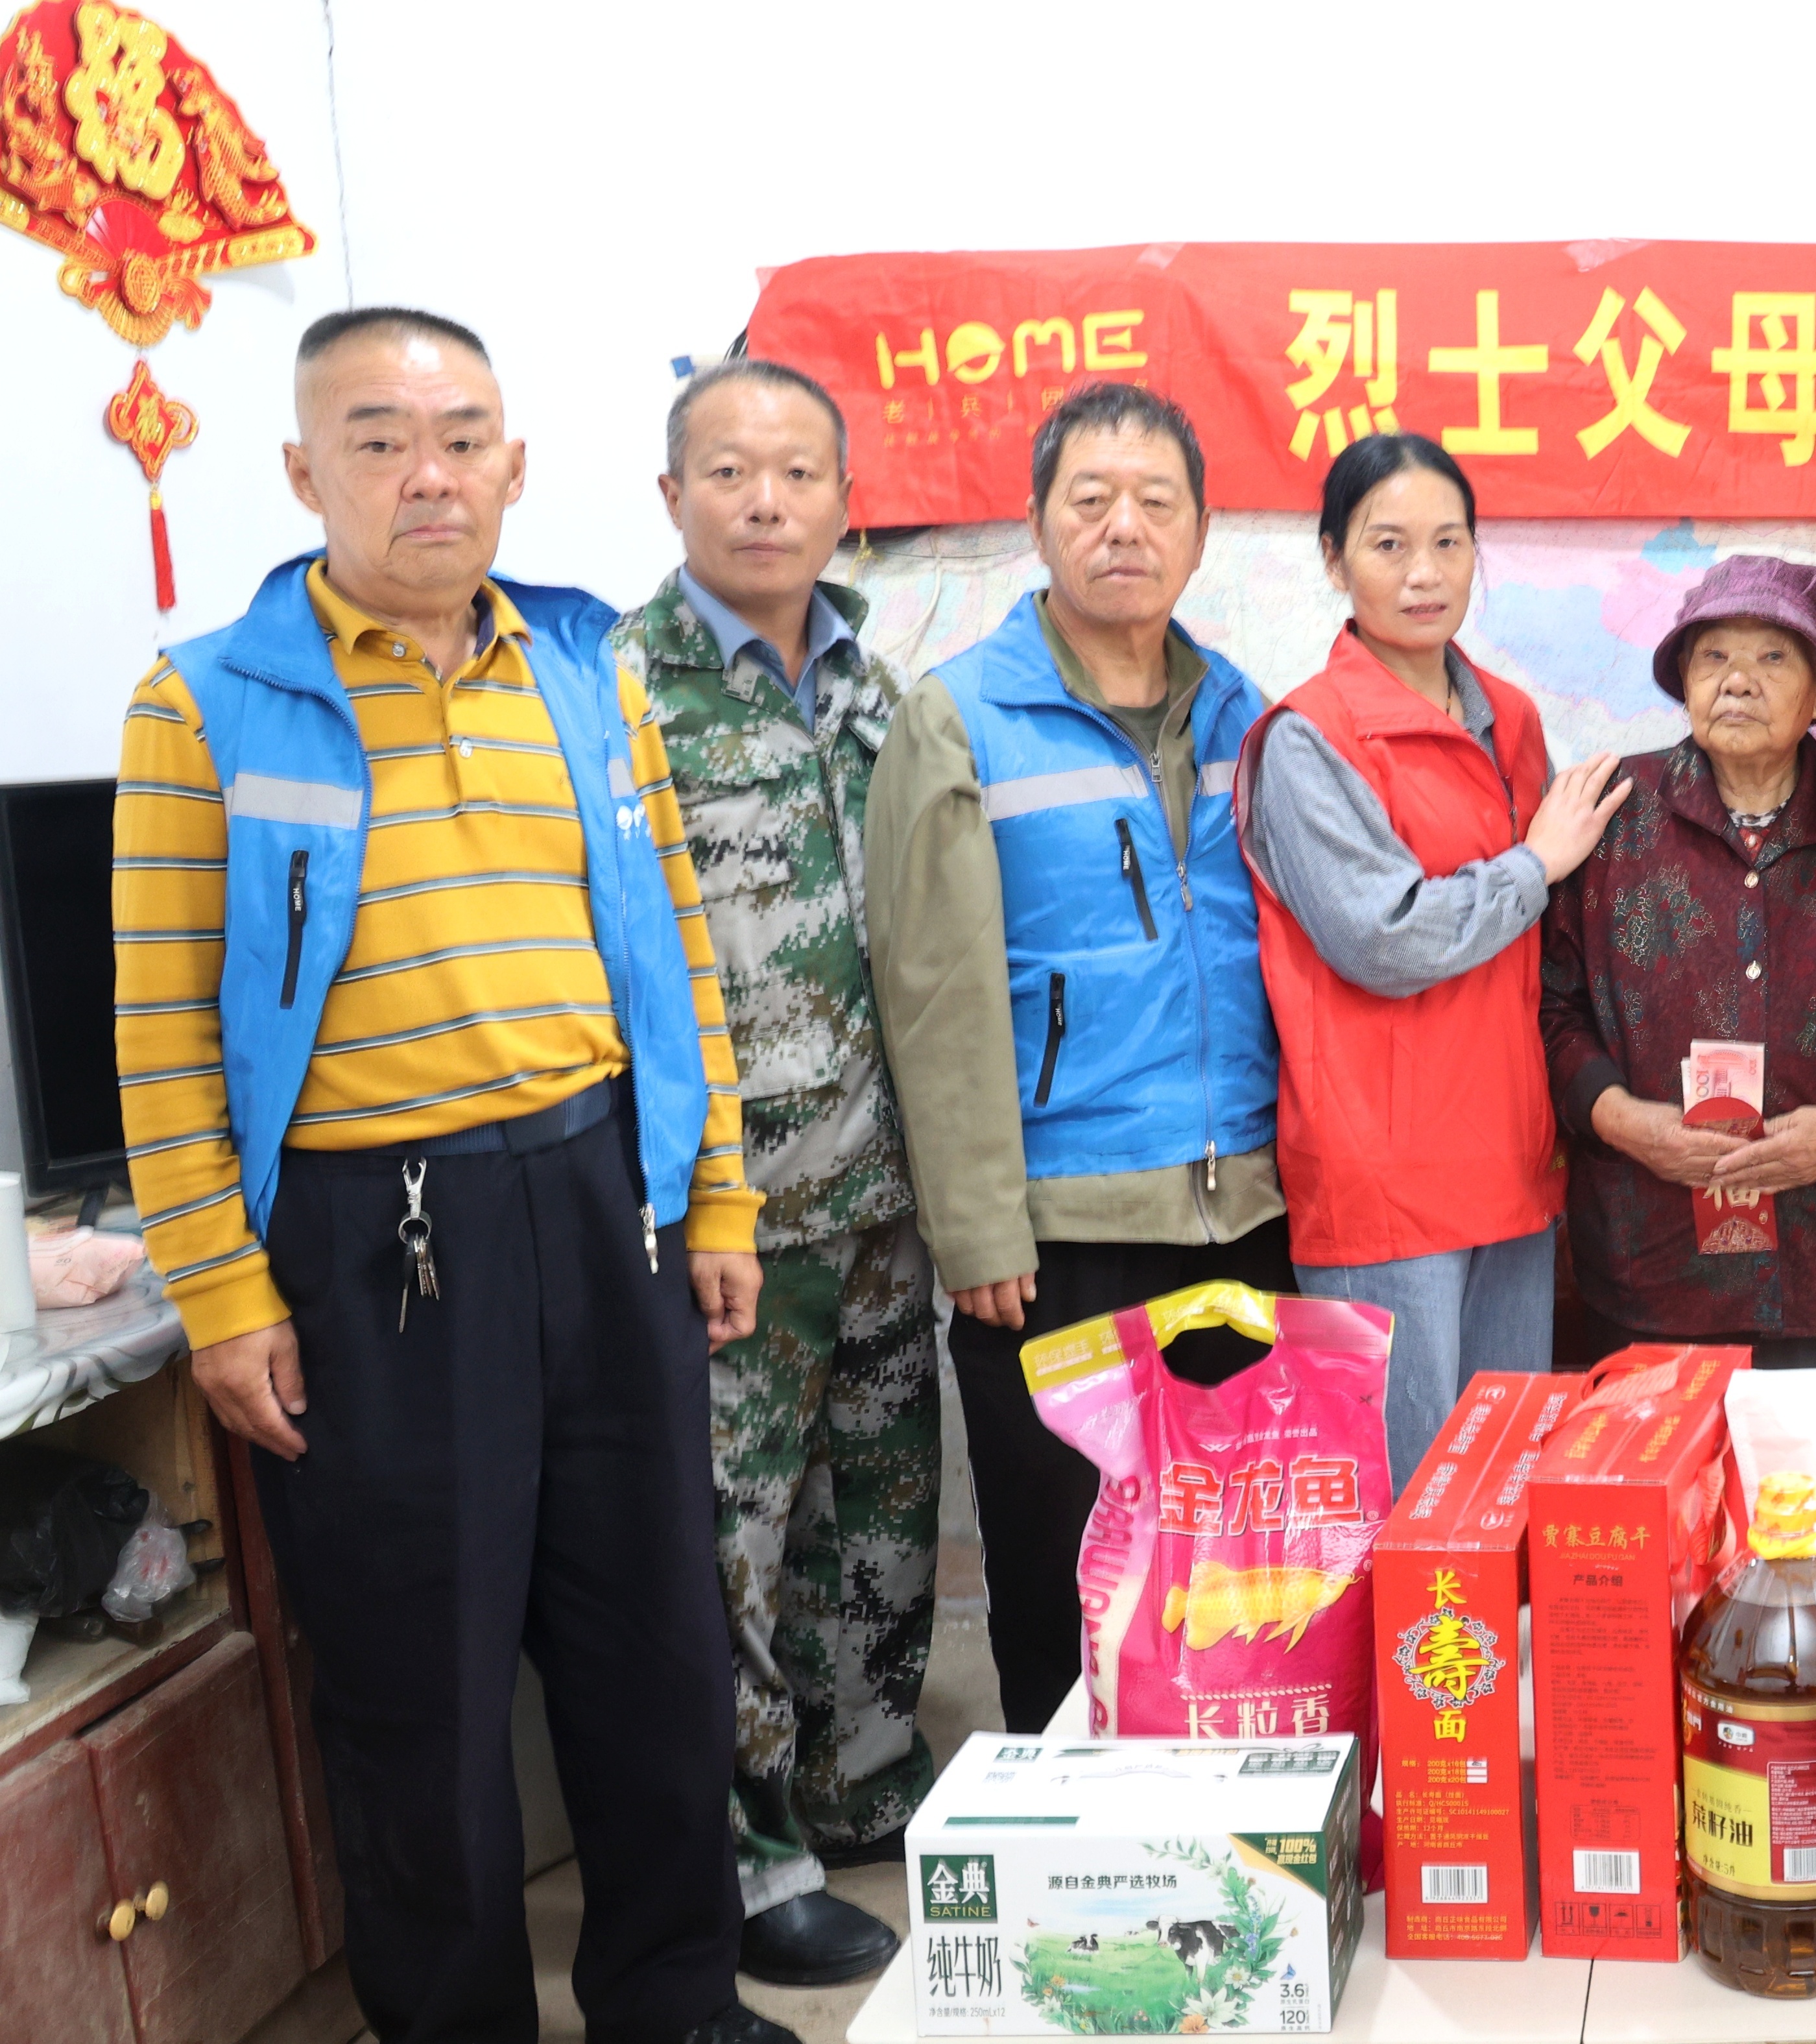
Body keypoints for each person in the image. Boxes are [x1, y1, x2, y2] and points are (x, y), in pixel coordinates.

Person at [111, 307, 786, 2044]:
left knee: (652, 1642)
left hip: (597, 1197)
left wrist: (712, 1196)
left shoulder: (585, 669)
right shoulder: (208, 701)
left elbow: (678, 956)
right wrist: (220, 1287)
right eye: (380, 436)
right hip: (374, 1241)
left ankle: (674, 1996)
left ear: (513, 465)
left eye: (464, 435)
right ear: (300, 469)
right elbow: (163, 1026)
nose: (430, 472)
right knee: (419, 1679)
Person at [866, 383, 1292, 1737]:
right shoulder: (959, 718)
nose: (1125, 528)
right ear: (1037, 526)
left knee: (1229, 1576)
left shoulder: (1245, 714)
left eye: (1155, 502)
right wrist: (979, 1224)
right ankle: (1075, 1859)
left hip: (1243, 1214)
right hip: (1055, 1234)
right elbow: (931, 994)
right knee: (1069, 1584)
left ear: (1202, 530)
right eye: (1090, 501)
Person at [614, 357, 935, 1984]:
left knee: (876, 1515)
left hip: (884, 1190)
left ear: (841, 498)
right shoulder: (614, 693)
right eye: (728, 472)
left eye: (797, 473)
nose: (764, 501)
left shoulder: (877, 687)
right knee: (725, 1544)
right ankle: (749, 1857)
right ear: (671, 496)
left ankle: (862, 1784)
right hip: (728, 1212)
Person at [1238, 433, 1629, 1479]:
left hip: (1509, 1153)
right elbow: (1383, 938)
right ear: (1333, 560)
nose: (1423, 573)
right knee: (1405, 1515)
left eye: (1448, 542)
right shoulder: (1308, 737)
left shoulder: (1512, 715)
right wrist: (1532, 866)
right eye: (1389, 544)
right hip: (1383, 1173)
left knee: (1501, 1499)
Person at [1541, 553, 1816, 1364]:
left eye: (1771, 657)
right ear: (1683, 681)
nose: (1737, 681)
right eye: (1713, 657)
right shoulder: (1610, 820)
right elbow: (1552, 1008)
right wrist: (1625, 1120)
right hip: (1655, 1261)